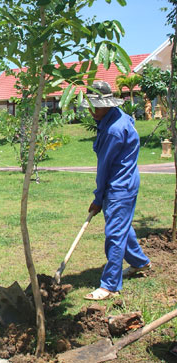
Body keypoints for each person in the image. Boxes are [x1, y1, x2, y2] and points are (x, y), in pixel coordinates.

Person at [81, 81, 151, 301]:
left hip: (119, 186)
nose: (92, 111)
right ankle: (140, 263)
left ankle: (110, 285)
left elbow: (104, 168)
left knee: (114, 234)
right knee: (122, 227)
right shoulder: (117, 116)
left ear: (108, 104)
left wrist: (98, 197)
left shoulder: (113, 130)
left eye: (96, 106)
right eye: (91, 106)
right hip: (125, 182)